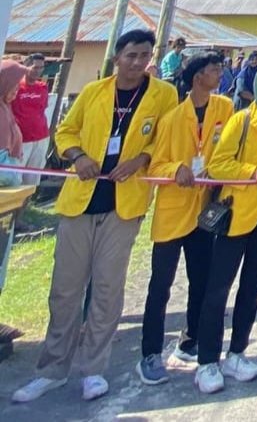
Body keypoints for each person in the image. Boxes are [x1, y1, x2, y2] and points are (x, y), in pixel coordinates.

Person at [13, 29, 177, 404]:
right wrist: (78, 157)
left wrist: (141, 160)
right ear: (117, 56)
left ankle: (93, 370)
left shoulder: (164, 95)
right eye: (131, 55)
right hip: (79, 202)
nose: (138, 62)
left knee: (106, 289)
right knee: (65, 290)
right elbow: (66, 131)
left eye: (144, 55)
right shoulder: (93, 92)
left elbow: (166, 140)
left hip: (124, 205)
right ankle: (51, 370)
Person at [193, 58, 257, 394]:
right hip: (236, 214)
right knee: (218, 288)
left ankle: (237, 351)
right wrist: (253, 173)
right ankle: (207, 360)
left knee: (252, 286)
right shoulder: (243, 119)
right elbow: (219, 163)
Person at [137, 52, 232, 386]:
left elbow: (228, 148)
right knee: (160, 284)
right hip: (173, 210)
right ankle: (149, 353)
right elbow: (155, 164)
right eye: (213, 70)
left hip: (204, 210)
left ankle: (191, 340)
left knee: (201, 280)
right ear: (196, 78)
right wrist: (174, 169)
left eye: (219, 69)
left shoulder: (225, 109)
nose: (219, 74)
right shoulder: (174, 118)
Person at [12, 53, 50, 186]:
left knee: (33, 179)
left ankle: (27, 205)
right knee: (15, 178)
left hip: (41, 137)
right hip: (22, 139)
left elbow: (43, 109)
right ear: (25, 67)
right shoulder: (15, 87)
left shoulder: (43, 87)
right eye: (35, 67)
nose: (38, 71)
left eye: (41, 68)